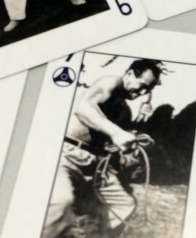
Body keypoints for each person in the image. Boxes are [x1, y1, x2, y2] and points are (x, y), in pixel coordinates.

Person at [42, 59, 163, 238]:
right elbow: (83, 108)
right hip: (66, 153)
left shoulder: (125, 110)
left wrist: (140, 121)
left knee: (124, 205)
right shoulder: (111, 82)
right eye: (142, 86)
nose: (143, 92)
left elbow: (119, 139)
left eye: (148, 90)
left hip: (95, 164)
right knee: (59, 202)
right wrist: (116, 132)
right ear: (130, 74)